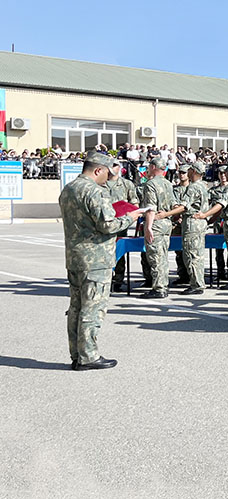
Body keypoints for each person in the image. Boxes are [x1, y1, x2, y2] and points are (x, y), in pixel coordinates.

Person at [59, 151, 143, 370]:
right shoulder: (95, 192)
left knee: (76, 307)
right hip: (96, 259)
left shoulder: (69, 189)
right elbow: (107, 225)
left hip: (75, 257)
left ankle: (76, 354)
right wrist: (130, 218)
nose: (110, 176)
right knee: (92, 308)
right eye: (108, 171)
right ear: (98, 170)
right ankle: (88, 356)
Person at [140, 158, 176, 299]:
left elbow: (150, 207)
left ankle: (159, 288)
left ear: (153, 167)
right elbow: (174, 203)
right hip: (166, 223)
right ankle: (163, 285)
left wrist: (148, 227)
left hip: (156, 223)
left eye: (149, 166)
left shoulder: (151, 184)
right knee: (162, 256)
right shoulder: (168, 183)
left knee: (155, 257)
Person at [176, 162, 211, 295]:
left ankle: (196, 284)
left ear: (194, 171)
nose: (188, 172)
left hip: (192, 222)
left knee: (191, 254)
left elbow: (184, 206)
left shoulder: (193, 187)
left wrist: (167, 214)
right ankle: (198, 282)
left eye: (190, 170)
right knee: (198, 254)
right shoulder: (203, 186)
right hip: (200, 222)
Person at [107, 161, 140, 292]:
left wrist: (128, 218)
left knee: (119, 253)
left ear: (119, 167)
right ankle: (105, 279)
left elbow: (134, 205)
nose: (112, 168)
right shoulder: (99, 184)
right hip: (103, 225)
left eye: (115, 165)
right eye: (110, 165)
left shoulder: (126, 184)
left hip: (120, 225)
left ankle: (118, 279)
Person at [170, 164, 191, 288]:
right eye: (180, 173)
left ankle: (190, 275)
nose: (181, 175)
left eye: (184, 172)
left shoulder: (193, 188)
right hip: (177, 223)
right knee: (179, 251)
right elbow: (173, 204)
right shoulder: (175, 190)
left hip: (189, 223)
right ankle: (182, 275)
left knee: (189, 251)